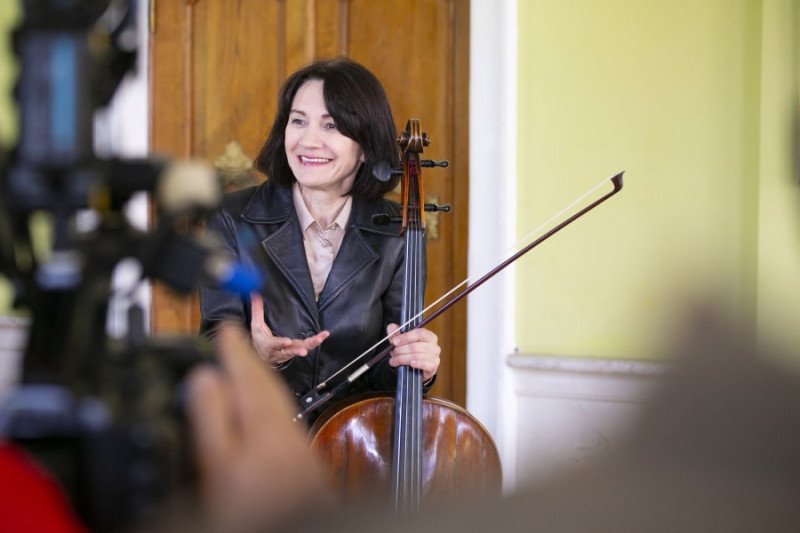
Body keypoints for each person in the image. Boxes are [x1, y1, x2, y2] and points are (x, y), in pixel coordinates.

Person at [199, 58, 441, 422]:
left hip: (351, 439)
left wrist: (415, 365)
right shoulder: (231, 217)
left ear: (365, 145)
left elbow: (384, 370)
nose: (308, 141)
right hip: (259, 431)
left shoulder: (399, 230)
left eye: (331, 125)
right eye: (298, 121)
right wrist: (254, 355)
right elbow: (213, 343)